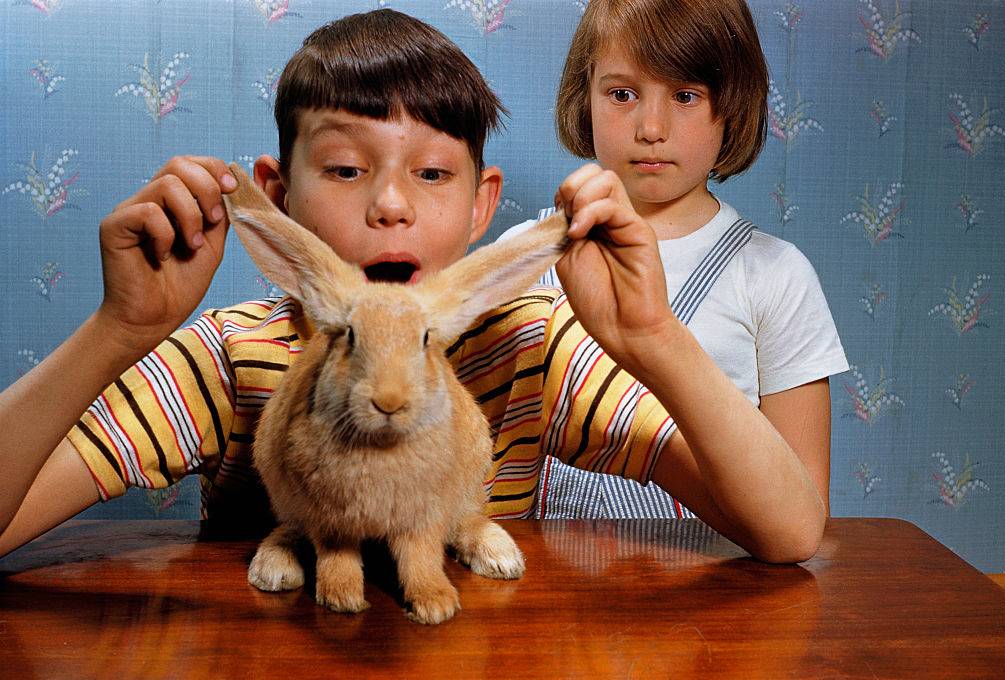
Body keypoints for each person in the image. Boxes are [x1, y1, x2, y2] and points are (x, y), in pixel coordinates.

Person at [0, 8, 827, 566]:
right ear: (277, 197)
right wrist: (119, 329)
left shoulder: (531, 348)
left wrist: (652, 338)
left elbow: (788, 530)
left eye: (431, 173)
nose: (390, 204)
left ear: (482, 208)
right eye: (347, 168)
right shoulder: (230, 358)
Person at [501, 0, 849, 523]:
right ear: (584, 97)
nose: (651, 128)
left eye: (686, 95)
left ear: (733, 107)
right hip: (542, 590)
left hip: (710, 590)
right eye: (622, 94)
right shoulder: (524, 253)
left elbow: (804, 513)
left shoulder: (775, 276)